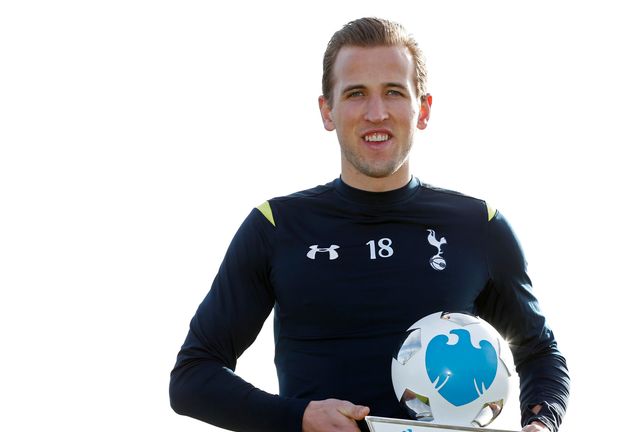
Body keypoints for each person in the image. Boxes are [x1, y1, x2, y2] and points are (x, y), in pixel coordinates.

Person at [170, 17, 569, 432]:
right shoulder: (276, 227)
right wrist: (299, 417)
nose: (376, 113)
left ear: (423, 109)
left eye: (394, 92)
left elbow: (540, 353)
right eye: (356, 94)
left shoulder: (478, 226)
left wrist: (541, 425)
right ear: (327, 110)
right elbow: (192, 378)